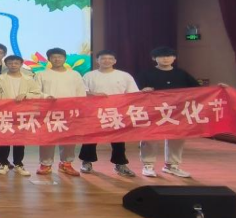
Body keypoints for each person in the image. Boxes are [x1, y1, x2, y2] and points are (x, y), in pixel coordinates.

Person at [138, 46, 201, 178]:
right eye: (161, 56)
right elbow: (135, 92)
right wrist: (143, 91)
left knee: (177, 138)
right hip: (153, 111)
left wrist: (219, 89)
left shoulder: (181, 73)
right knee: (150, 137)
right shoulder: (146, 73)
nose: (166, 59)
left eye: (169, 56)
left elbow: (199, 90)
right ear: (154, 58)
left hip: (177, 112)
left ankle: (172, 166)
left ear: (174, 58)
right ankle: (148, 165)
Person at [79, 50, 139, 178]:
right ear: (97, 60)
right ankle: (87, 162)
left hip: (117, 111)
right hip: (94, 111)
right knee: (90, 138)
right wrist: (92, 94)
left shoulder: (124, 76)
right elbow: (81, 92)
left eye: (110, 58)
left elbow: (133, 93)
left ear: (115, 61)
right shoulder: (89, 75)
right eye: (103, 58)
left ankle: (120, 164)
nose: (106, 61)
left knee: (118, 140)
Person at [35, 48, 86, 176]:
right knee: (47, 138)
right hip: (49, 112)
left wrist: (80, 108)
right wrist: (46, 96)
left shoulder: (74, 74)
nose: (57, 59)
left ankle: (66, 163)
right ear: (49, 59)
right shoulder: (41, 74)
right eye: (54, 57)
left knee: (69, 138)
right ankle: (45, 164)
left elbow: (81, 92)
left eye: (60, 56)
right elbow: (35, 92)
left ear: (65, 58)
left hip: (70, 111)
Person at [0, 55, 40, 177]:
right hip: (4, 113)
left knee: (20, 139)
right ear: (6, 64)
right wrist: (1, 108)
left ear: (21, 64)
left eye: (16, 63)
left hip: (22, 113)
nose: (13, 65)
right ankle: (3, 163)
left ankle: (18, 164)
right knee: (3, 139)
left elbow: (37, 93)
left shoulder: (29, 79)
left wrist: (26, 95)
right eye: (10, 63)